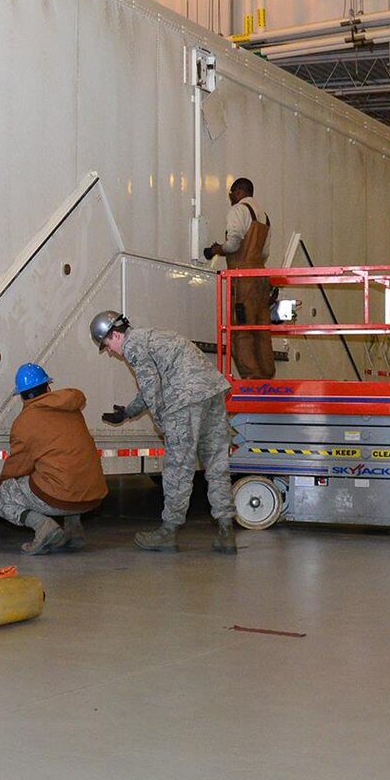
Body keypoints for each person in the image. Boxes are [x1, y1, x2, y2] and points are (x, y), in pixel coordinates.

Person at [91, 310, 236, 553]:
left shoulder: (133, 345)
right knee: (216, 464)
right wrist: (128, 412)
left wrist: (162, 424)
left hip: (185, 400)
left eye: (107, 345)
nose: (110, 352)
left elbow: (150, 387)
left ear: (115, 335)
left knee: (178, 468)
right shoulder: (154, 336)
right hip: (213, 393)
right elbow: (155, 382)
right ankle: (226, 531)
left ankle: (168, 531)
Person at [0, 363, 108, 554]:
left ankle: (44, 527)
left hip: (62, 498)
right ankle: (73, 532)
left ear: (22, 396)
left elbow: (17, 466)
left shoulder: (26, 420)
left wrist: (4, 487)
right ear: (48, 387)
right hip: (93, 494)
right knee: (65, 471)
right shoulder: (73, 410)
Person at [203, 177, 275, 379]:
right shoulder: (264, 216)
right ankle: (267, 374)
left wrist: (217, 249)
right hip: (260, 276)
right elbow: (264, 253)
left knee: (241, 328)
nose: (231, 199)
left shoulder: (238, 211)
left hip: (243, 278)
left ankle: (251, 378)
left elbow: (233, 244)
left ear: (237, 192)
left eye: (231, 194)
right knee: (261, 329)